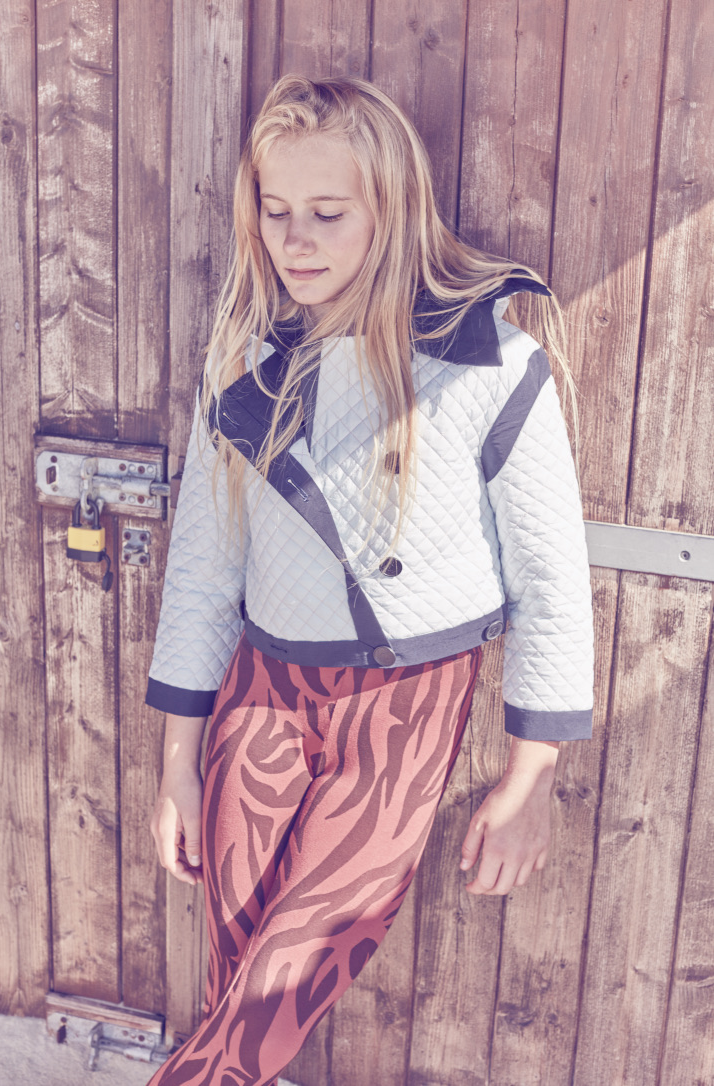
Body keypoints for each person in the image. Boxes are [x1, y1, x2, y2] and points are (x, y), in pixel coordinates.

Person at [144, 74, 594, 1086]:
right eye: (275, 211)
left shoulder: (490, 363)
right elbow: (203, 573)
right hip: (261, 698)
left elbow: (552, 582)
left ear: (389, 209)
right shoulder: (240, 362)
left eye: (327, 213)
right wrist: (177, 764)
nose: (294, 240)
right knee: (237, 975)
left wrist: (532, 777)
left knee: (273, 994)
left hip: (402, 712)